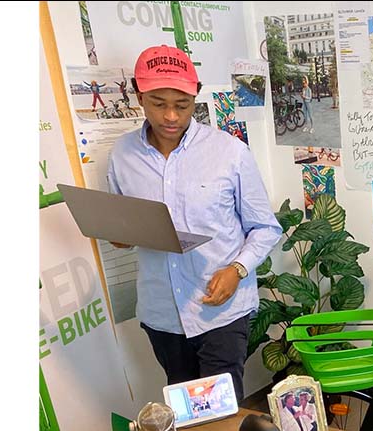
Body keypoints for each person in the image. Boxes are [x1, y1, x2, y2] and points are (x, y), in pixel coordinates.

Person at [106, 45, 282, 402]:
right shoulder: (123, 155)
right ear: (140, 98)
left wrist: (236, 269)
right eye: (158, 103)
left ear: (195, 95)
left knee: (220, 409)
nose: (170, 116)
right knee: (185, 405)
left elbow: (266, 227)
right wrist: (119, 236)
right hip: (162, 313)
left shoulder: (229, 152)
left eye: (182, 105)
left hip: (220, 309)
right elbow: (121, 225)